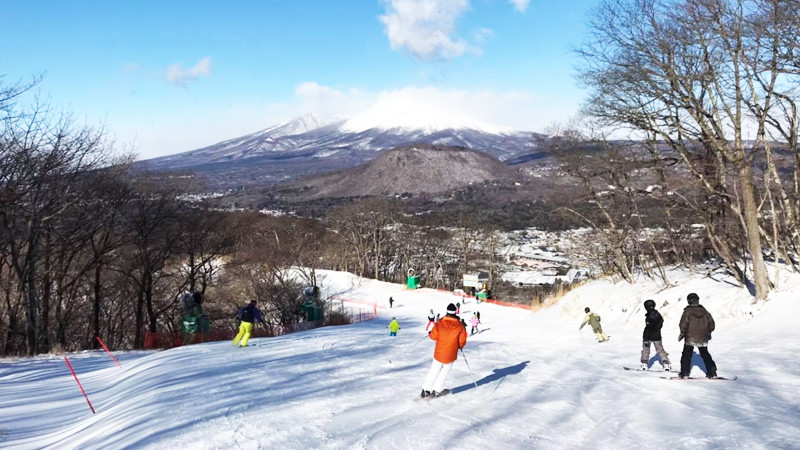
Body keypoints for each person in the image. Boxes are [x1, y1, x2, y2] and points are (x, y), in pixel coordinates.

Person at [421, 303, 467, 398]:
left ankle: (426, 390)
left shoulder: (439, 323)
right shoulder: (460, 326)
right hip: (451, 354)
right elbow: (462, 341)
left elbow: (433, 336)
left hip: (439, 353)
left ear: (447, 312)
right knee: (444, 372)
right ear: (455, 312)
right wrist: (460, 346)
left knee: (434, 370)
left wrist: (430, 333)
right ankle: (436, 390)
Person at [678, 293, 717, 378]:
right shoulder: (704, 311)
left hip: (690, 336)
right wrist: (708, 332)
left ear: (689, 301)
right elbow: (712, 324)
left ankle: (684, 373)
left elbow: (683, 324)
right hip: (703, 336)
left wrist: (682, 333)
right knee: (705, 354)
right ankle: (712, 372)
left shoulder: (687, 311)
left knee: (686, 355)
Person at [640, 299, 670, 371]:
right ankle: (666, 363)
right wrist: (656, 330)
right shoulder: (657, 314)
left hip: (648, 336)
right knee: (660, 350)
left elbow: (648, 328)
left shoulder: (650, 316)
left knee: (646, 350)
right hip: (657, 336)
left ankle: (644, 363)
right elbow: (660, 324)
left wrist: (646, 337)